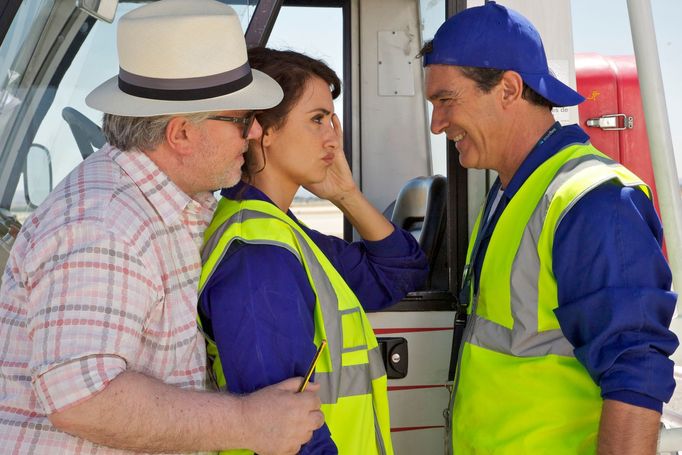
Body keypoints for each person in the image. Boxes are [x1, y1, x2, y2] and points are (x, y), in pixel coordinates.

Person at [0, 1, 324, 454]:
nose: (253, 135)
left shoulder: (162, 204)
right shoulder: (105, 225)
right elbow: (82, 398)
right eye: (241, 120)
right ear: (181, 135)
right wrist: (249, 423)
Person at [420, 2, 678, 454]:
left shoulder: (592, 200)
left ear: (508, 89)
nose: (437, 123)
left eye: (446, 101)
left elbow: (634, 375)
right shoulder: (509, 192)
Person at [198, 48, 429, 455]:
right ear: (263, 129)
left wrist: (346, 194)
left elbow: (399, 274)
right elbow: (289, 435)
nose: (333, 138)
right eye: (317, 119)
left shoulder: (280, 234)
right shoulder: (259, 259)